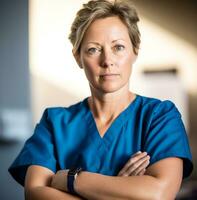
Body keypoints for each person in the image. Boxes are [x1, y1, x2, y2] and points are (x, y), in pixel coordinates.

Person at [9, 0, 193, 199]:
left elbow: (158, 194)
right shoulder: (54, 122)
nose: (107, 61)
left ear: (135, 51)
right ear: (78, 57)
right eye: (93, 49)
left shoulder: (160, 117)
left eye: (119, 47)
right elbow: (35, 193)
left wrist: (72, 179)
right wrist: (121, 189)